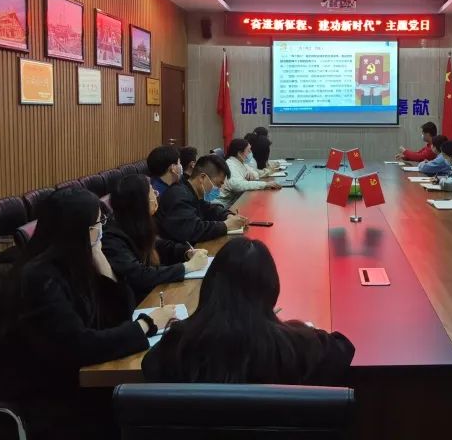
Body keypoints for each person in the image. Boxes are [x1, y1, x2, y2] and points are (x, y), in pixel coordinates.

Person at [0, 188, 178, 440]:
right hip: (54, 400)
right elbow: (80, 345)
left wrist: (101, 261)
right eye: (98, 224)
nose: (103, 229)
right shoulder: (39, 278)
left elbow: (119, 315)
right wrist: (146, 324)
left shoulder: (73, 262)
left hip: (77, 383)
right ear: (77, 230)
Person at [142, 238, 355, 385]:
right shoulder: (294, 345)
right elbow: (343, 347)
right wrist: (291, 328)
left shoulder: (181, 343)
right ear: (271, 289)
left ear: (210, 287)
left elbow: (149, 365)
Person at [103, 175, 210, 298]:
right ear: (140, 203)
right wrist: (186, 267)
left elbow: (160, 245)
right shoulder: (112, 238)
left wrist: (186, 253)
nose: (156, 194)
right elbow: (139, 275)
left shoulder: (135, 223)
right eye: (152, 192)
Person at [155, 155, 247, 244]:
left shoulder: (190, 190)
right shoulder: (179, 196)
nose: (219, 188)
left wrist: (228, 216)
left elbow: (209, 209)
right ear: (202, 177)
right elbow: (193, 230)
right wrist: (225, 225)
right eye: (218, 184)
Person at [217, 138, 281, 207]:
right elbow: (237, 185)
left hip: (235, 201)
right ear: (239, 153)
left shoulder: (241, 163)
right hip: (224, 206)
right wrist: (265, 184)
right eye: (248, 150)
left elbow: (256, 173)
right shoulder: (230, 164)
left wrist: (252, 174)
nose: (251, 152)